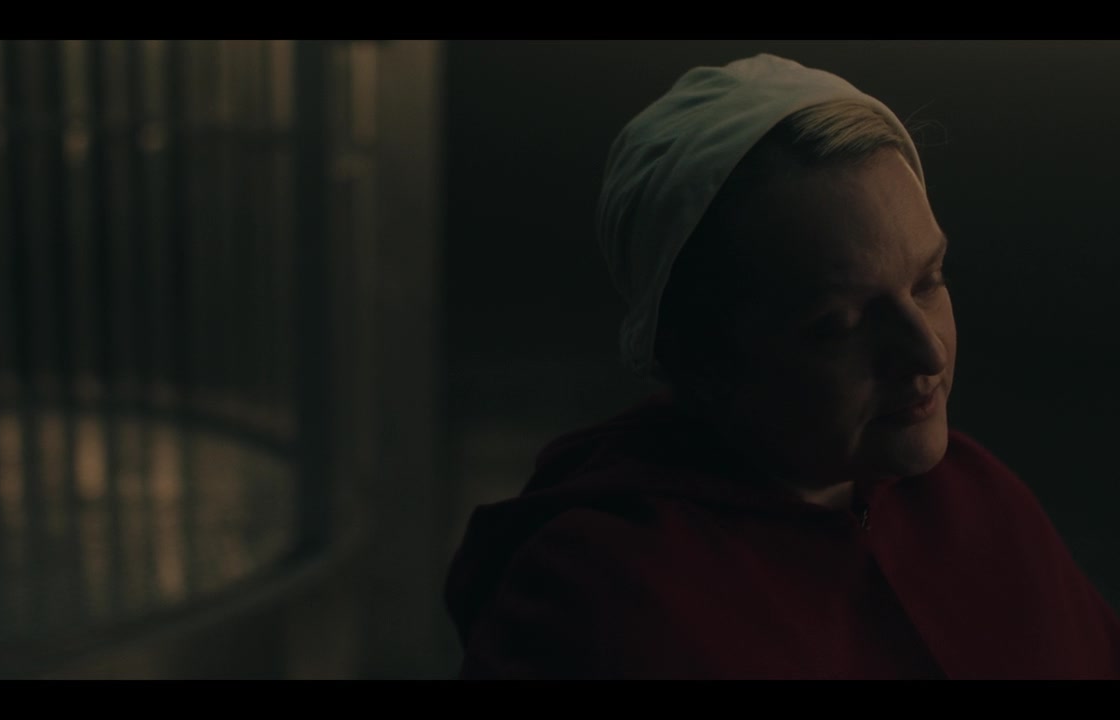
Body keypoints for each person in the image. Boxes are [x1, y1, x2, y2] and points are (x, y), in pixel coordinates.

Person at [443, 54, 1120, 679]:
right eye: (838, 324)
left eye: (927, 281)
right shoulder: (601, 602)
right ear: (699, 358)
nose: (928, 352)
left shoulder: (977, 499)